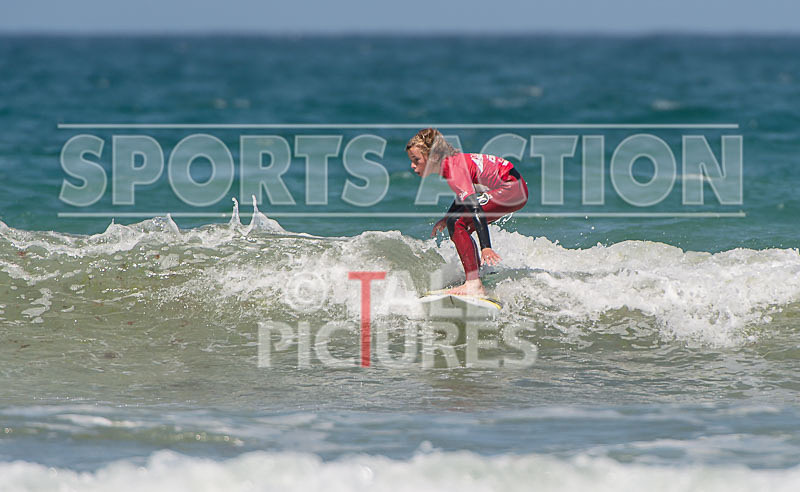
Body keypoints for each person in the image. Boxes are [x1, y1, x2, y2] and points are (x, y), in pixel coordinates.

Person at [406, 128, 528, 296]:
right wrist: (446, 217)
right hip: (514, 187)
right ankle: (477, 275)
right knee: (458, 223)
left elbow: (476, 208)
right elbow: (465, 195)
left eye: (416, 160)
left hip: (510, 190)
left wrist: (486, 247)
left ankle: (473, 283)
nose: (412, 165)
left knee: (457, 223)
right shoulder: (453, 163)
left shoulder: (454, 169)